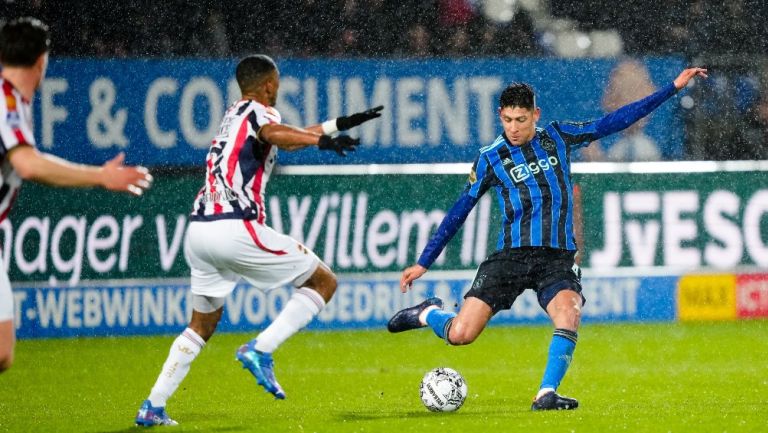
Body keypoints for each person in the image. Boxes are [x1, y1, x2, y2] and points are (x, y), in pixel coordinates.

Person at [388, 67, 708, 410]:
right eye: (508, 119)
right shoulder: (489, 159)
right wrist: (423, 262)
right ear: (501, 116)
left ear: (535, 115)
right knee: (461, 334)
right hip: (511, 256)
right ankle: (428, 314)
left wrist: (672, 88)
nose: (513, 128)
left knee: (569, 313)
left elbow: (614, 121)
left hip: (555, 258)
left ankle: (546, 393)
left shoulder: (558, 137)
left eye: (521, 120)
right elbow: (458, 211)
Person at [134, 54, 382, 427]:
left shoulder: (235, 114)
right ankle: (260, 349)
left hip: (199, 230)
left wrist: (335, 126)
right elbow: (275, 134)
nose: (278, 90)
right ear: (269, 85)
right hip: (234, 227)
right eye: (277, 84)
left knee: (201, 325)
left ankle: (153, 405)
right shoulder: (260, 113)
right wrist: (320, 142)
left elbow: (277, 133)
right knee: (324, 281)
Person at [0, 17, 153, 374]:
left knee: (3, 351)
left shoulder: (14, 102)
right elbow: (29, 165)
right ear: (42, 61)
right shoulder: (5, 101)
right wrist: (100, 176)